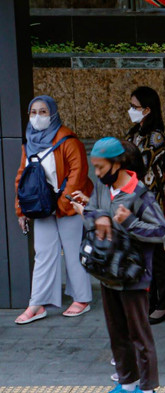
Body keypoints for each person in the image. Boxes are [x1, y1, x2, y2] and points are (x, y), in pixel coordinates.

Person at [69, 137, 165, 393]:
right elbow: (102, 219)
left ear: (118, 163)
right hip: (108, 273)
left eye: (100, 168)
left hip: (132, 274)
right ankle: (127, 384)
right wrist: (88, 210)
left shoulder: (139, 194)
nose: (97, 174)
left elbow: (160, 231)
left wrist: (130, 222)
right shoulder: (103, 188)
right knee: (117, 333)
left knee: (139, 333)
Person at [13, 95, 93, 325]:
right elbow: (22, 177)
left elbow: (78, 174)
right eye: (33, 112)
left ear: (54, 114)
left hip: (67, 205)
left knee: (73, 250)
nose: (37, 117)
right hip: (42, 207)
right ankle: (37, 303)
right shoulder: (29, 142)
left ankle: (82, 299)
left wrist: (61, 205)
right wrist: (22, 210)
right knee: (43, 254)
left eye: (43, 112)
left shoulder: (68, 140)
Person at [123, 86, 165, 325]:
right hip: (133, 201)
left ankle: (163, 304)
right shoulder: (134, 133)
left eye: (135, 107)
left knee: (156, 254)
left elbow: (141, 166)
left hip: (150, 204)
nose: (131, 110)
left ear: (148, 109)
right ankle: (149, 301)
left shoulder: (155, 137)